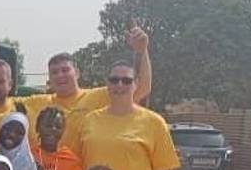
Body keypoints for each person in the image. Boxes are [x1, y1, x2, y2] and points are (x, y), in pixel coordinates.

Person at [77, 61, 179, 170]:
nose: (119, 85)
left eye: (126, 80)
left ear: (136, 84)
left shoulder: (154, 123)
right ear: (107, 84)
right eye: (114, 80)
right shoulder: (89, 121)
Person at [21, 26, 153, 149]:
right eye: (54, 72)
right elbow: (2, 105)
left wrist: (143, 51)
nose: (60, 75)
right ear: (49, 78)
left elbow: (142, 89)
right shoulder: (36, 103)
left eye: (65, 70)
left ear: (77, 73)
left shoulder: (100, 96)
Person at [33, 106, 84, 170]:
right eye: (48, 125)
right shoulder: (28, 155)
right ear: (38, 127)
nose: (53, 129)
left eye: (58, 127)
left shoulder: (72, 161)